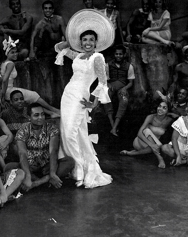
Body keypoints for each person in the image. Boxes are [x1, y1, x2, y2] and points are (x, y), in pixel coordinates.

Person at [55, 9, 114, 188]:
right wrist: (70, 40)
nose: (87, 43)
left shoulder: (98, 57)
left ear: (96, 42)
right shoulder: (78, 55)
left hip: (81, 94)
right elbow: (59, 48)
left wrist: (93, 103)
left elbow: (103, 83)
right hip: (68, 93)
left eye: (91, 40)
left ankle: (80, 167)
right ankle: (76, 168)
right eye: (84, 40)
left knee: (70, 131)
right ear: (81, 42)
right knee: (70, 130)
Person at [15, 103, 74, 191]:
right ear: (28, 117)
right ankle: (45, 180)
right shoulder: (23, 130)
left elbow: (53, 151)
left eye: (42, 114)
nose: (41, 117)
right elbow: (22, 153)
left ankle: (37, 183)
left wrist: (52, 172)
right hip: (31, 167)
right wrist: (27, 175)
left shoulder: (52, 129)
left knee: (70, 161)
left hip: (47, 166)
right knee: (10, 167)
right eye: (36, 115)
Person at [0, 36, 60, 117]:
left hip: (5, 90)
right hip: (8, 91)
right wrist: (2, 96)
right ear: (7, 54)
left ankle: (51, 113)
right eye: (12, 52)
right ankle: (53, 110)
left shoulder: (4, 63)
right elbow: (4, 80)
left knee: (29, 101)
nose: (15, 54)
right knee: (34, 95)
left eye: (16, 52)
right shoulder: (10, 64)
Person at [120, 101, 173, 168]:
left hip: (153, 146)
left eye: (164, 108)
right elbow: (139, 133)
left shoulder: (169, 120)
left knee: (155, 146)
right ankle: (160, 158)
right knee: (147, 130)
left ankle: (131, 153)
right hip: (140, 141)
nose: (160, 109)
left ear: (168, 111)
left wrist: (153, 145)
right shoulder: (151, 117)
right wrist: (152, 145)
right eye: (159, 106)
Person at [104, 44, 135, 136]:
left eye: (120, 54)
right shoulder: (108, 65)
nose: (118, 56)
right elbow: (105, 80)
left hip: (122, 87)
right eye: (116, 54)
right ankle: (112, 123)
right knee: (105, 96)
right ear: (114, 54)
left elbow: (131, 82)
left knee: (124, 101)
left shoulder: (129, 66)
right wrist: (108, 85)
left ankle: (115, 126)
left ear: (124, 54)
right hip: (112, 86)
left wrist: (125, 88)